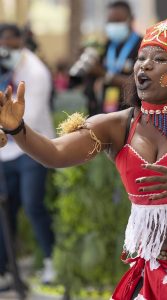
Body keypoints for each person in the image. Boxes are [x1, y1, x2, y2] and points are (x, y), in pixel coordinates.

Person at [0, 16, 167, 299]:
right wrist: (18, 128)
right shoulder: (115, 126)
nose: (146, 65)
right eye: (141, 58)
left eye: (160, 59)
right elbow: (54, 154)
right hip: (156, 265)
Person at [0, 23, 55, 289]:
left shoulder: (35, 71)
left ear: (21, 42)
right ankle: (6, 270)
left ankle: (50, 263)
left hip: (32, 147)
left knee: (33, 206)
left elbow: (26, 118)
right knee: (4, 210)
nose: (5, 50)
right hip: (4, 152)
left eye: (11, 45)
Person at [70, 1, 142, 116]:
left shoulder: (142, 46)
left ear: (131, 19)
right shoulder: (106, 45)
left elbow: (139, 83)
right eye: (110, 21)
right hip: (105, 111)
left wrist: (105, 75)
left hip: (131, 114)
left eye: (118, 21)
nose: (114, 26)